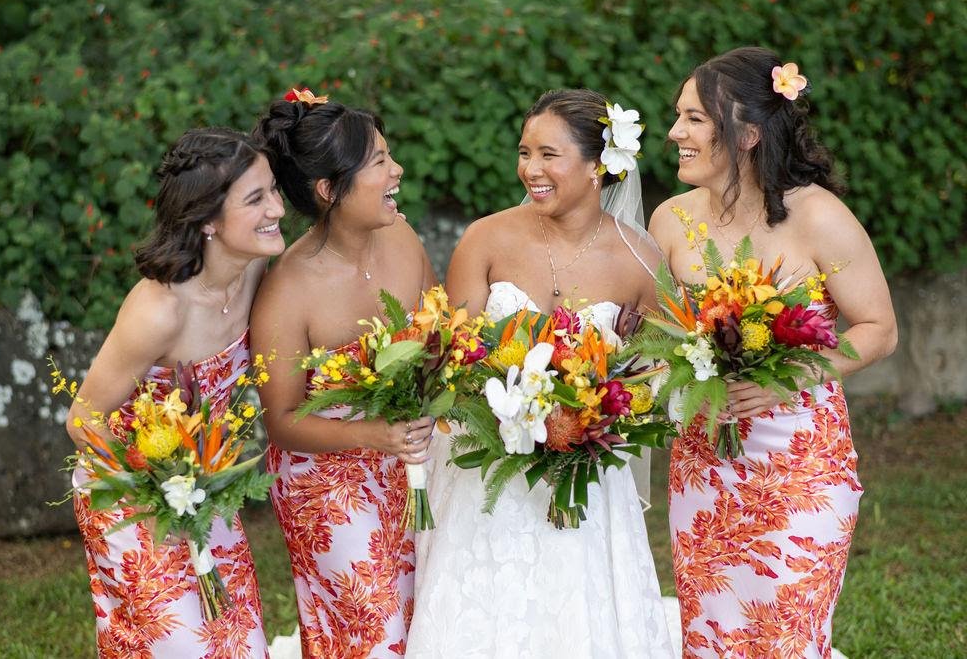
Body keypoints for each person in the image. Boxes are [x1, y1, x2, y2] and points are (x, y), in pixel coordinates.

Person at [406, 89, 674, 658]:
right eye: (525, 152)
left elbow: (655, 377)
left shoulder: (641, 261)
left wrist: (594, 408)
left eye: (549, 155)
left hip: (586, 479)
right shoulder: (485, 239)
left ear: (598, 164)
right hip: (486, 472)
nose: (531, 169)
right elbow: (452, 357)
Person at [649, 46, 898, 658]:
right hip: (705, 461)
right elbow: (659, 336)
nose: (675, 132)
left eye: (693, 118)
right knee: (713, 634)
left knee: (787, 632)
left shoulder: (820, 217)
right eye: (679, 116)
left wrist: (781, 379)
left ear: (748, 134)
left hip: (801, 463)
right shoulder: (670, 222)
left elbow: (878, 328)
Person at [66, 127, 284, 657]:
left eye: (274, 190)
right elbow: (82, 419)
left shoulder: (255, 266)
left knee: (239, 640)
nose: (277, 209)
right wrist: (159, 494)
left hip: (202, 485)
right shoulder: (160, 311)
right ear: (207, 220)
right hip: (130, 493)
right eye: (256, 199)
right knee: (184, 643)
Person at [251, 92, 437, 658]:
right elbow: (281, 422)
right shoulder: (287, 290)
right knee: (374, 630)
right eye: (379, 161)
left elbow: (440, 337)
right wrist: (374, 435)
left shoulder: (403, 237)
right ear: (330, 189)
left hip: (410, 457)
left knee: (427, 614)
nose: (396, 170)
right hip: (326, 478)